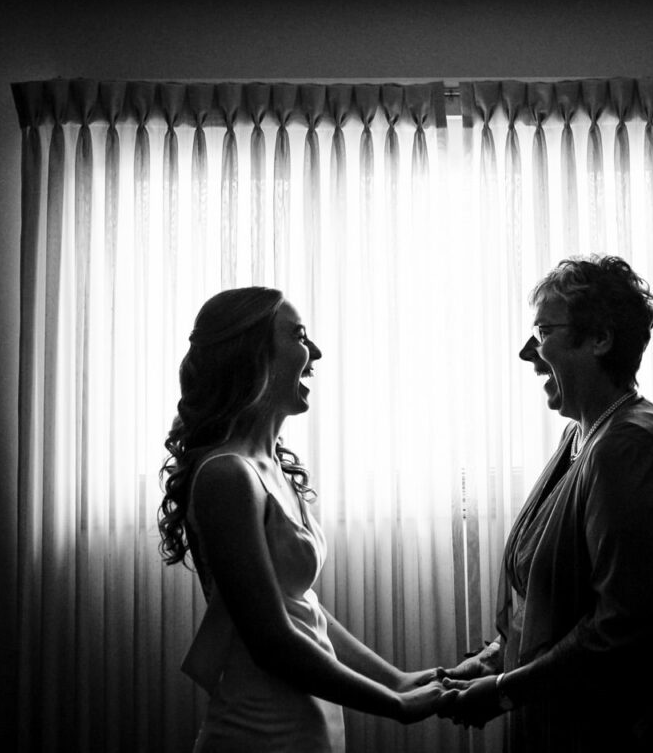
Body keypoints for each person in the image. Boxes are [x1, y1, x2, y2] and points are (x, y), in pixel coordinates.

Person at [438, 256, 653, 751]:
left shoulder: (628, 446)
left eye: (543, 332)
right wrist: (494, 659)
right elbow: (555, 601)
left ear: (600, 339)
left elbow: (620, 629)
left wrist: (505, 690)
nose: (528, 353)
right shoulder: (583, 435)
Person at [158, 287, 446, 752]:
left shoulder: (270, 467)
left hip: (307, 724)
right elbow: (271, 640)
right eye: (299, 336)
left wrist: (398, 679)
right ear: (252, 355)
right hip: (260, 731)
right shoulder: (227, 475)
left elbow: (302, 609)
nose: (315, 353)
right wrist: (395, 705)